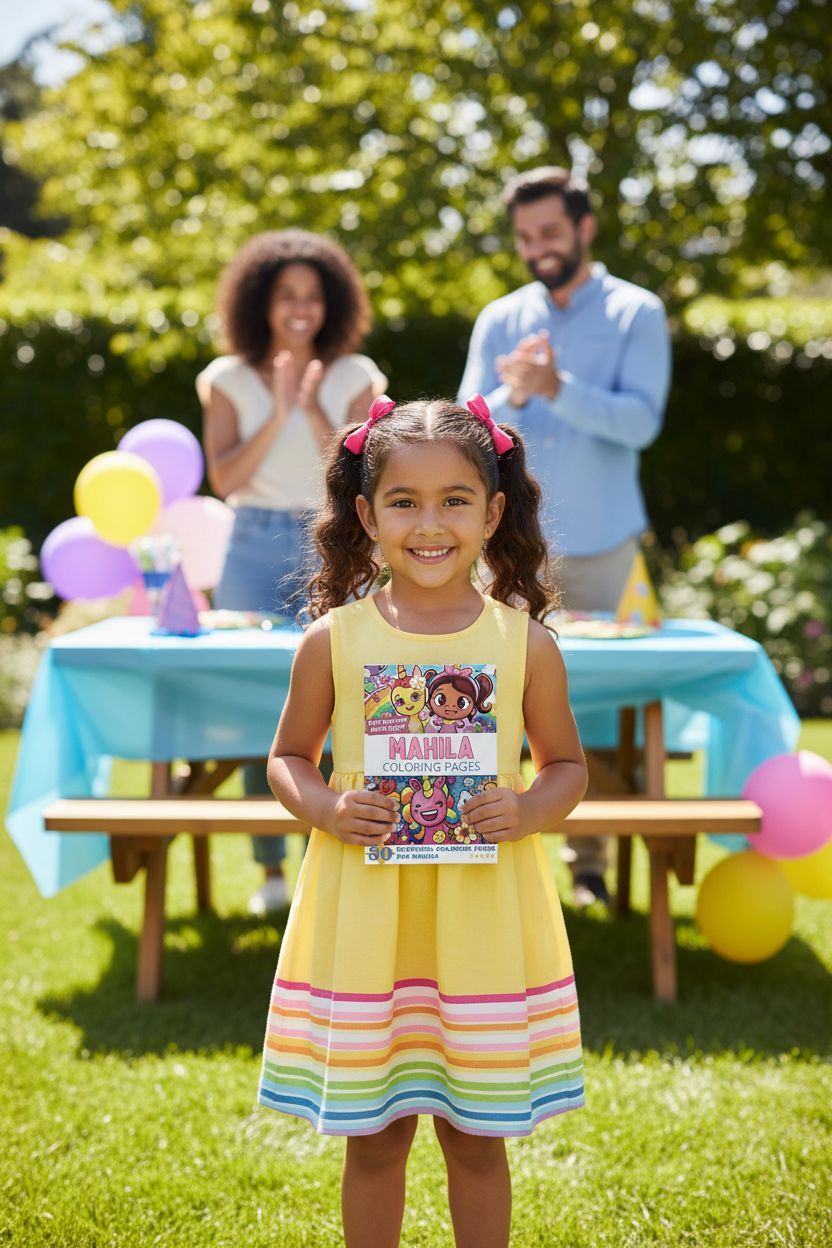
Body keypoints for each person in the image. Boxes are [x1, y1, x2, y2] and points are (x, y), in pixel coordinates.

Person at [258, 394, 588, 1248]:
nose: (429, 523)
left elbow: (567, 769)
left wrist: (524, 810)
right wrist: (328, 806)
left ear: (494, 513)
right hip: (370, 925)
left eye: (455, 500)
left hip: (481, 922)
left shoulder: (526, 645)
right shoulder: (333, 640)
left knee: (477, 1137)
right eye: (404, 501)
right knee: (375, 1138)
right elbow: (288, 757)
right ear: (366, 514)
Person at [459, 166, 671, 908]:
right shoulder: (500, 318)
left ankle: (590, 869)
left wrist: (560, 391)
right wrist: (511, 395)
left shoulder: (636, 313)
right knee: (489, 705)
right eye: (524, 237)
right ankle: (483, 856)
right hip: (509, 550)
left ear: (585, 228)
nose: (537, 248)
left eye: (549, 232)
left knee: (606, 720)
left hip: (607, 546)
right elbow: (463, 421)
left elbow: (643, 421)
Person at [198, 230, 386, 916]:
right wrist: (276, 407)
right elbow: (225, 479)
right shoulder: (226, 379)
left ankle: (331, 861)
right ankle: (270, 873)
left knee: (342, 702)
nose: (300, 308)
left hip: (329, 538)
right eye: (286, 296)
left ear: (332, 302)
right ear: (261, 303)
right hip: (250, 542)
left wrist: (307, 407)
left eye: (312, 296)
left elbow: (355, 472)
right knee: (262, 711)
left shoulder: (355, 374)